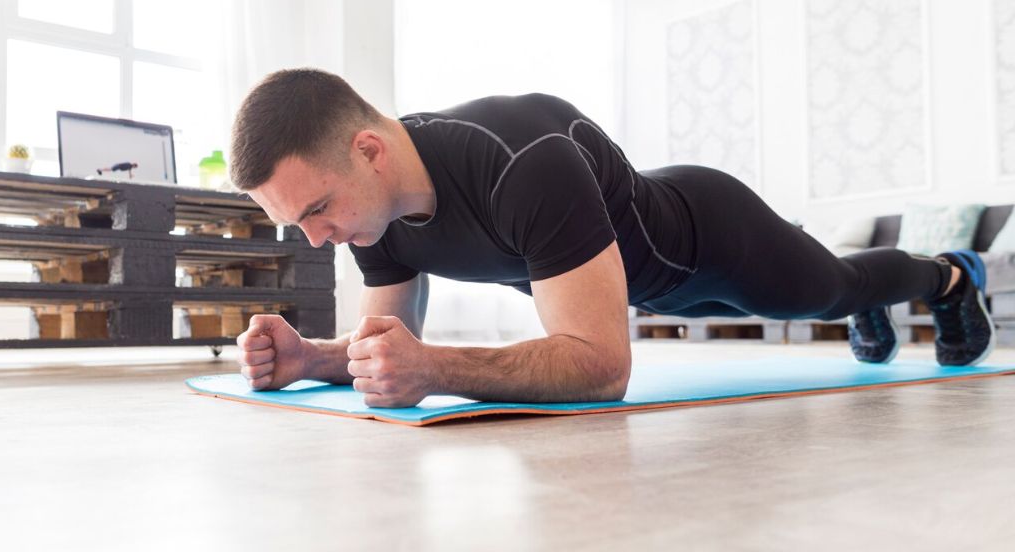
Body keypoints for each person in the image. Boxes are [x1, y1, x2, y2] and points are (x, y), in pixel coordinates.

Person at [230, 68, 996, 408]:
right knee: (835, 286)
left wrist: (435, 366)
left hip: (710, 238)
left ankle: (949, 277)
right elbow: (386, 348)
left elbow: (601, 367)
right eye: (300, 223)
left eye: (318, 210)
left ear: (368, 150)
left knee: (832, 290)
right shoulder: (371, 213)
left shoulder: (522, 157)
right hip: (645, 281)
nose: (321, 238)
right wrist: (311, 358)